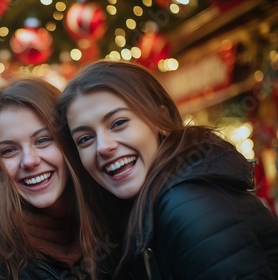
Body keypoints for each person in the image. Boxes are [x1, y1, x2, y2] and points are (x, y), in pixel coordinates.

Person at [57, 60, 278, 279]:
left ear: (161, 119)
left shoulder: (189, 207)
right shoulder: (151, 207)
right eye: (85, 138)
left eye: (118, 123)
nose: (103, 147)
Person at [0, 77, 127, 280]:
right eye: (9, 150)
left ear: (70, 140)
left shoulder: (121, 216)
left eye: (43, 140)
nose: (29, 161)